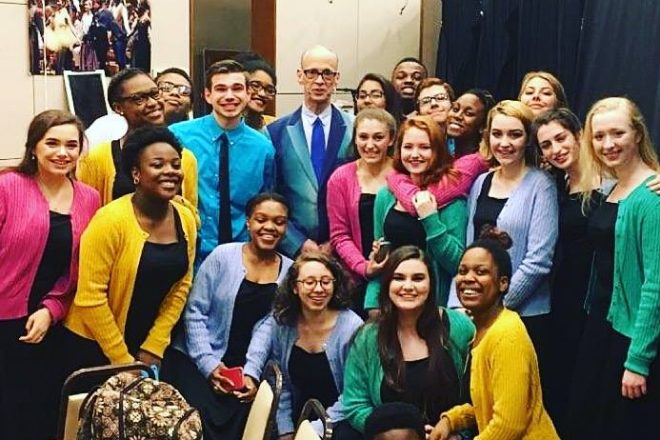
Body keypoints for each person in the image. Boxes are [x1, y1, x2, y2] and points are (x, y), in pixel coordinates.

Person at [0, 110, 100, 440]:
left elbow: (80, 267)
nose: (62, 152)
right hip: (4, 318)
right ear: (33, 147)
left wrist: (51, 309)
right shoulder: (7, 186)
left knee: (40, 412)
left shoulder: (90, 197)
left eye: (72, 145)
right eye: (52, 143)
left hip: (53, 322)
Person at [62, 126, 196, 371]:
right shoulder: (109, 220)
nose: (170, 171)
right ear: (136, 173)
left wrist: (154, 345)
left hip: (147, 346)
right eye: (157, 165)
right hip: (94, 345)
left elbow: (182, 285)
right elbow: (89, 298)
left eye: (175, 165)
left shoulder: (186, 217)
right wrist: (122, 361)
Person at [163, 193, 292, 440]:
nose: (269, 227)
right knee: (194, 422)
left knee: (243, 421)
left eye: (279, 222)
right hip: (195, 359)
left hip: (243, 369)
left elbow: (269, 327)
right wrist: (209, 366)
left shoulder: (289, 271)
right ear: (248, 222)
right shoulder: (223, 256)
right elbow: (195, 312)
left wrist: (251, 374)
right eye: (261, 219)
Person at [567, 97, 660, 439]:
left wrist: (637, 359)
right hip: (602, 321)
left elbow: (655, 284)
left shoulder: (651, 196)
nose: (608, 144)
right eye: (599, 135)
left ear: (637, 134)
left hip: (632, 335)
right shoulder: (611, 187)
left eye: (618, 133)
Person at [430, 228, 559, 440]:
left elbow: (509, 425)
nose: (468, 278)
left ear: (503, 283)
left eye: (481, 272)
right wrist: (450, 420)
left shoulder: (507, 335)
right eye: (462, 271)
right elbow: (485, 404)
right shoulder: (481, 330)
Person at [451, 101, 558, 356]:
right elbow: (469, 253)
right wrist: (464, 304)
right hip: (477, 312)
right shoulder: (480, 181)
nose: (505, 143)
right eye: (497, 134)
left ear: (527, 139)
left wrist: (495, 304)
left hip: (524, 314)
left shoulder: (541, 185)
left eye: (515, 134)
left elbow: (539, 260)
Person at [343, 246, 474, 434]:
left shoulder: (460, 327)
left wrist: (458, 435)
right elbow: (355, 405)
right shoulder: (368, 337)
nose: (408, 286)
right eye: (399, 278)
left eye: (418, 278)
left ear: (431, 284)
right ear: (387, 284)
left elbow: (477, 399)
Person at [244, 252, 363, 439]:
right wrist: (286, 430)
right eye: (309, 282)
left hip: (341, 420)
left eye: (326, 281)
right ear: (294, 287)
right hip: (299, 417)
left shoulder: (351, 328)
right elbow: (280, 381)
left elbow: (352, 395)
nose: (318, 289)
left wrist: (312, 432)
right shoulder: (284, 322)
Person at [170, 59, 275, 266]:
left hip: (242, 260)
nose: (229, 96)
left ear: (247, 94)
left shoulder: (263, 149)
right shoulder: (178, 137)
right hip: (188, 255)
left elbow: (266, 206)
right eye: (220, 89)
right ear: (207, 95)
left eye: (237, 88)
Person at [365, 116, 467, 310]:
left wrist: (430, 219)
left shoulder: (454, 201)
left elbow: (457, 264)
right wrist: (371, 303)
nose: (415, 154)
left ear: (437, 150)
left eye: (424, 147)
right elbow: (380, 252)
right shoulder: (385, 195)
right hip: (391, 302)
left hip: (433, 305)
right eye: (408, 147)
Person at [267, 45, 353, 257]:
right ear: (300, 76)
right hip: (291, 249)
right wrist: (296, 242)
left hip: (342, 248)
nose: (319, 80)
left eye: (327, 73)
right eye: (312, 72)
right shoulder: (275, 132)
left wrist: (338, 242)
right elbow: (270, 195)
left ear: (337, 78)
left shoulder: (354, 130)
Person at [77, 68, 198, 207]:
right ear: (118, 108)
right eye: (139, 99)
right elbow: (86, 214)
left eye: (155, 94)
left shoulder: (186, 159)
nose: (152, 103)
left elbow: (190, 215)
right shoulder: (98, 158)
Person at [327, 108, 396, 317]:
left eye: (378, 137)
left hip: (399, 274)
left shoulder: (404, 175)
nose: (370, 145)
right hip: (356, 278)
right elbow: (339, 235)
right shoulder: (340, 178)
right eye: (363, 137)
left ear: (391, 139)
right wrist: (365, 267)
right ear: (354, 139)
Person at [446, 89, 496, 158]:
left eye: (468, 113)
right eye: (455, 109)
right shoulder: (443, 150)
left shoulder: (477, 163)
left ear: (483, 126)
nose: (457, 116)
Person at [242, 57, 278, 132]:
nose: (262, 94)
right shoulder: (225, 124)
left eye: (269, 90)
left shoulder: (275, 127)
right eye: (255, 86)